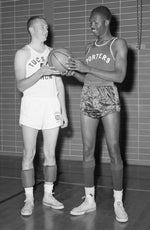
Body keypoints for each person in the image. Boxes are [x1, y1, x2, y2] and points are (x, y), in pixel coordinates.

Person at [66, 6, 128, 222]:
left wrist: (87, 68)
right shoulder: (90, 47)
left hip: (108, 96)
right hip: (88, 95)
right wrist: (74, 72)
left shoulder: (117, 44)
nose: (91, 24)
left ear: (106, 22)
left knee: (113, 148)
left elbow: (119, 76)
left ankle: (118, 202)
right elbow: (87, 78)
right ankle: (89, 199)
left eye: (95, 21)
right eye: (90, 21)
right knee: (87, 149)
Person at [14, 16, 68, 216]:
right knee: (29, 154)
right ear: (31, 30)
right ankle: (29, 199)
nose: (46, 29)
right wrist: (40, 71)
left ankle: (48, 195)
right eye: (42, 27)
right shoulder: (22, 53)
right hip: (31, 105)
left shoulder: (54, 53)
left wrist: (63, 110)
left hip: (51, 105)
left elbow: (59, 84)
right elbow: (21, 85)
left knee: (51, 153)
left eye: (47, 26)